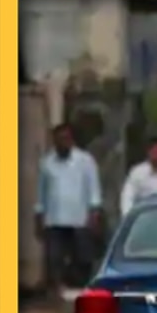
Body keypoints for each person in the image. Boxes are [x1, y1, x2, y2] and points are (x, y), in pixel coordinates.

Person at [35, 123, 102, 294]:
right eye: (59, 139)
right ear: (54, 141)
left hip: (79, 217)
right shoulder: (47, 162)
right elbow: (41, 192)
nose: (62, 142)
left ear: (71, 139)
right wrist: (38, 215)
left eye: (66, 138)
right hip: (54, 218)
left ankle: (81, 289)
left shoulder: (85, 160)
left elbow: (93, 188)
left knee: (82, 256)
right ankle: (57, 291)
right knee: (54, 257)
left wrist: (94, 212)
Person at [120, 136, 157, 216]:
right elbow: (128, 196)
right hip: (143, 214)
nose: (156, 154)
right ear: (148, 152)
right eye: (153, 151)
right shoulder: (137, 172)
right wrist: (128, 215)